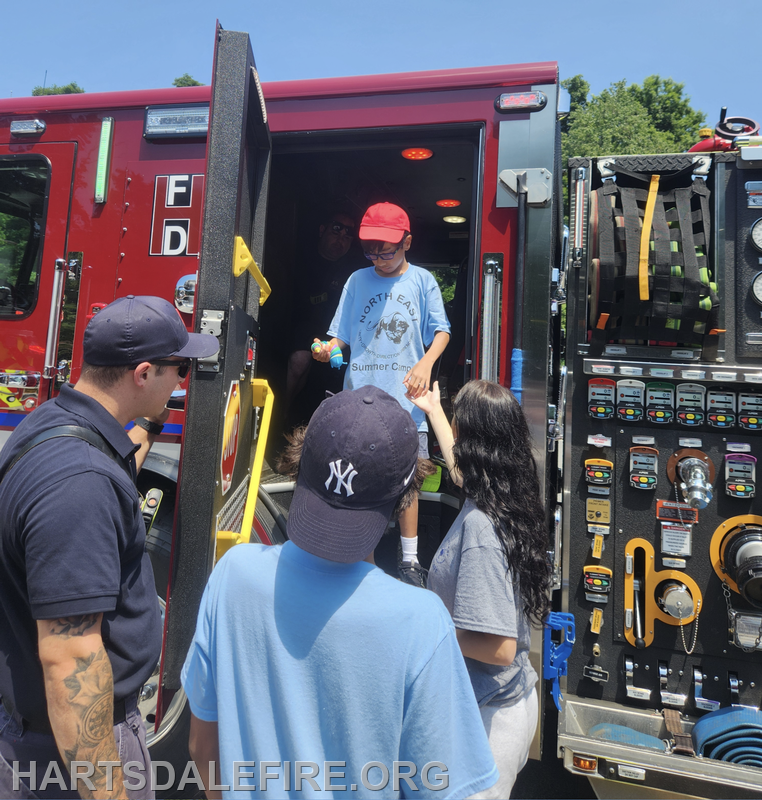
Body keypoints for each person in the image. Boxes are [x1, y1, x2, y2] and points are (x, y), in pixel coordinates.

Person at [181, 386, 498, 800]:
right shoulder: (421, 622)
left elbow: (202, 747)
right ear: (405, 496)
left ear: (299, 466)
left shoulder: (232, 575)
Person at [0, 295, 219, 800]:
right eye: (179, 369)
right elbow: (71, 659)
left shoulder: (54, 422)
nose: (183, 382)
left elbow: (115, 464)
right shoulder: (80, 485)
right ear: (143, 373)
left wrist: (149, 422)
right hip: (66, 755)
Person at [409, 379, 552, 799]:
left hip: (490, 721)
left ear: (476, 440)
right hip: (510, 701)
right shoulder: (504, 493)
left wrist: (425, 625)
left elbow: (500, 648)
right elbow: (459, 470)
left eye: (457, 420)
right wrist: (433, 410)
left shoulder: (480, 528)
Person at [312, 202, 450, 586]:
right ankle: (366, 562)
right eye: (370, 250)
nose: (378, 259)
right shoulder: (357, 280)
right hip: (360, 399)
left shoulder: (422, 281)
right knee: (362, 480)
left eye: (386, 251)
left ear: (407, 241)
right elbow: (340, 338)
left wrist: (425, 364)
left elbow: (442, 331)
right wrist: (326, 350)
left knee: (410, 482)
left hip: (407, 402)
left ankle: (409, 561)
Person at [285, 209, 357, 419]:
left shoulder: (354, 272)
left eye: (346, 237)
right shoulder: (300, 258)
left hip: (339, 335)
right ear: (322, 230)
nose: (340, 240)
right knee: (299, 360)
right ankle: (281, 415)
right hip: (300, 327)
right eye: (336, 233)